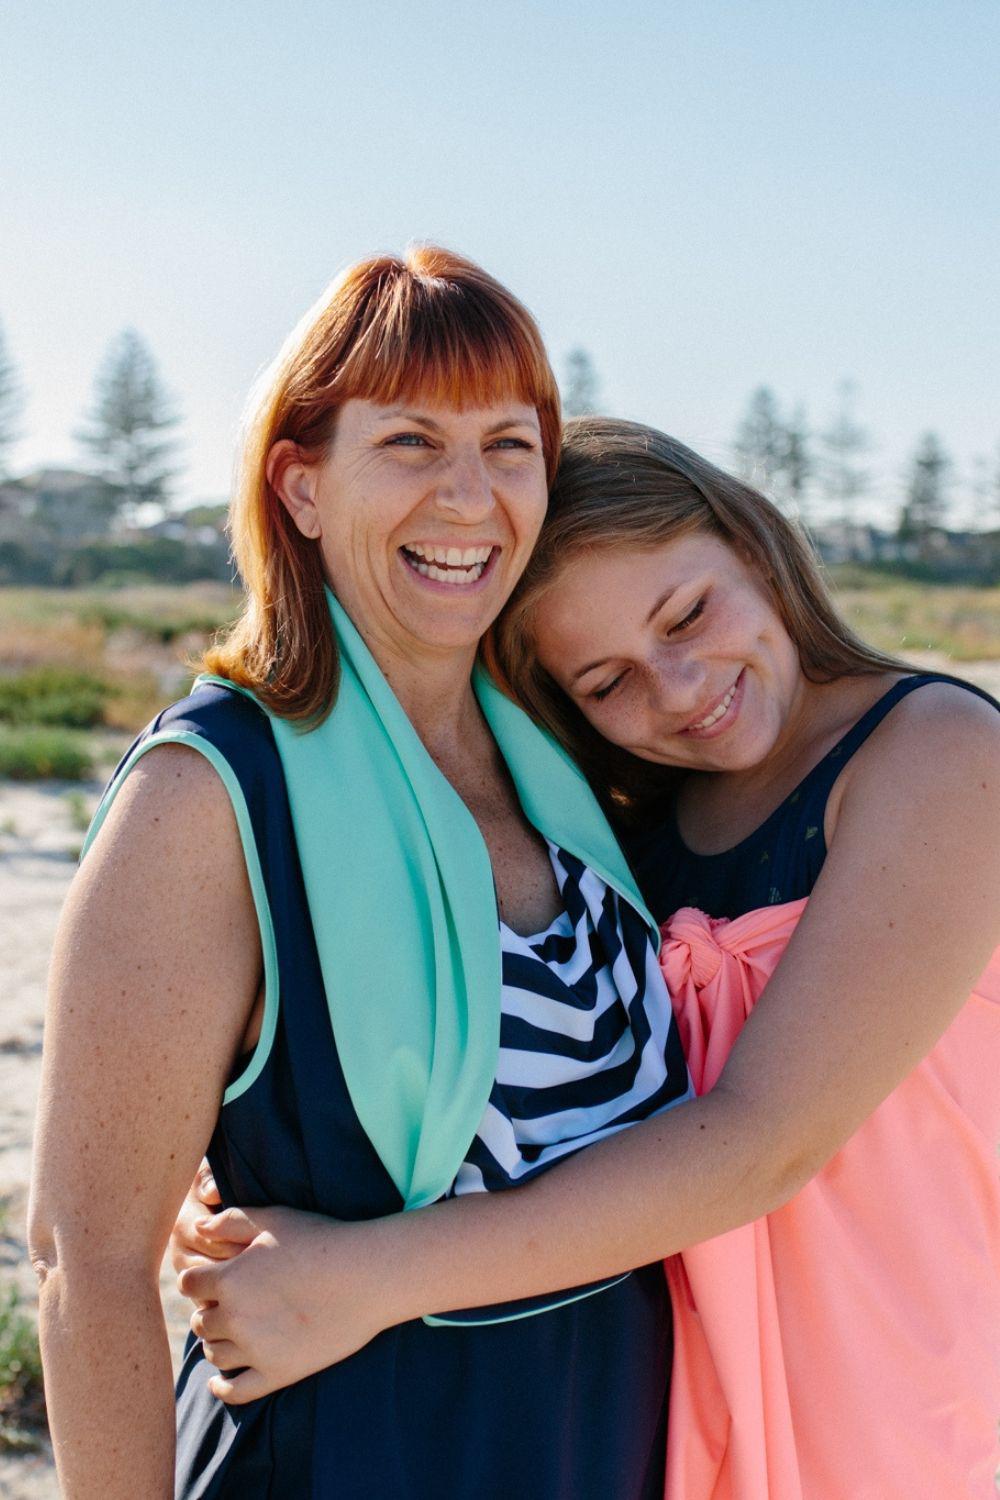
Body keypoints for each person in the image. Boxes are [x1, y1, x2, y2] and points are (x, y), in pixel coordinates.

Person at [173, 418, 1000, 1498]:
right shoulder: (627, 830)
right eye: (605, 682)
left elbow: (766, 1144)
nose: (676, 687)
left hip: (893, 1378)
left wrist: (360, 1280)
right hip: (673, 1391)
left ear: (753, 543)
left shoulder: (936, 753)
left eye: (688, 614)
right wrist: (234, 1180)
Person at [29, 256, 697, 1500]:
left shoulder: (574, 751)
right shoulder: (212, 794)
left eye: (509, 444)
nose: (469, 496)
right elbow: (90, 1258)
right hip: (357, 1458)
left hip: (597, 1443)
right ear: (300, 485)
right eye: (408, 441)